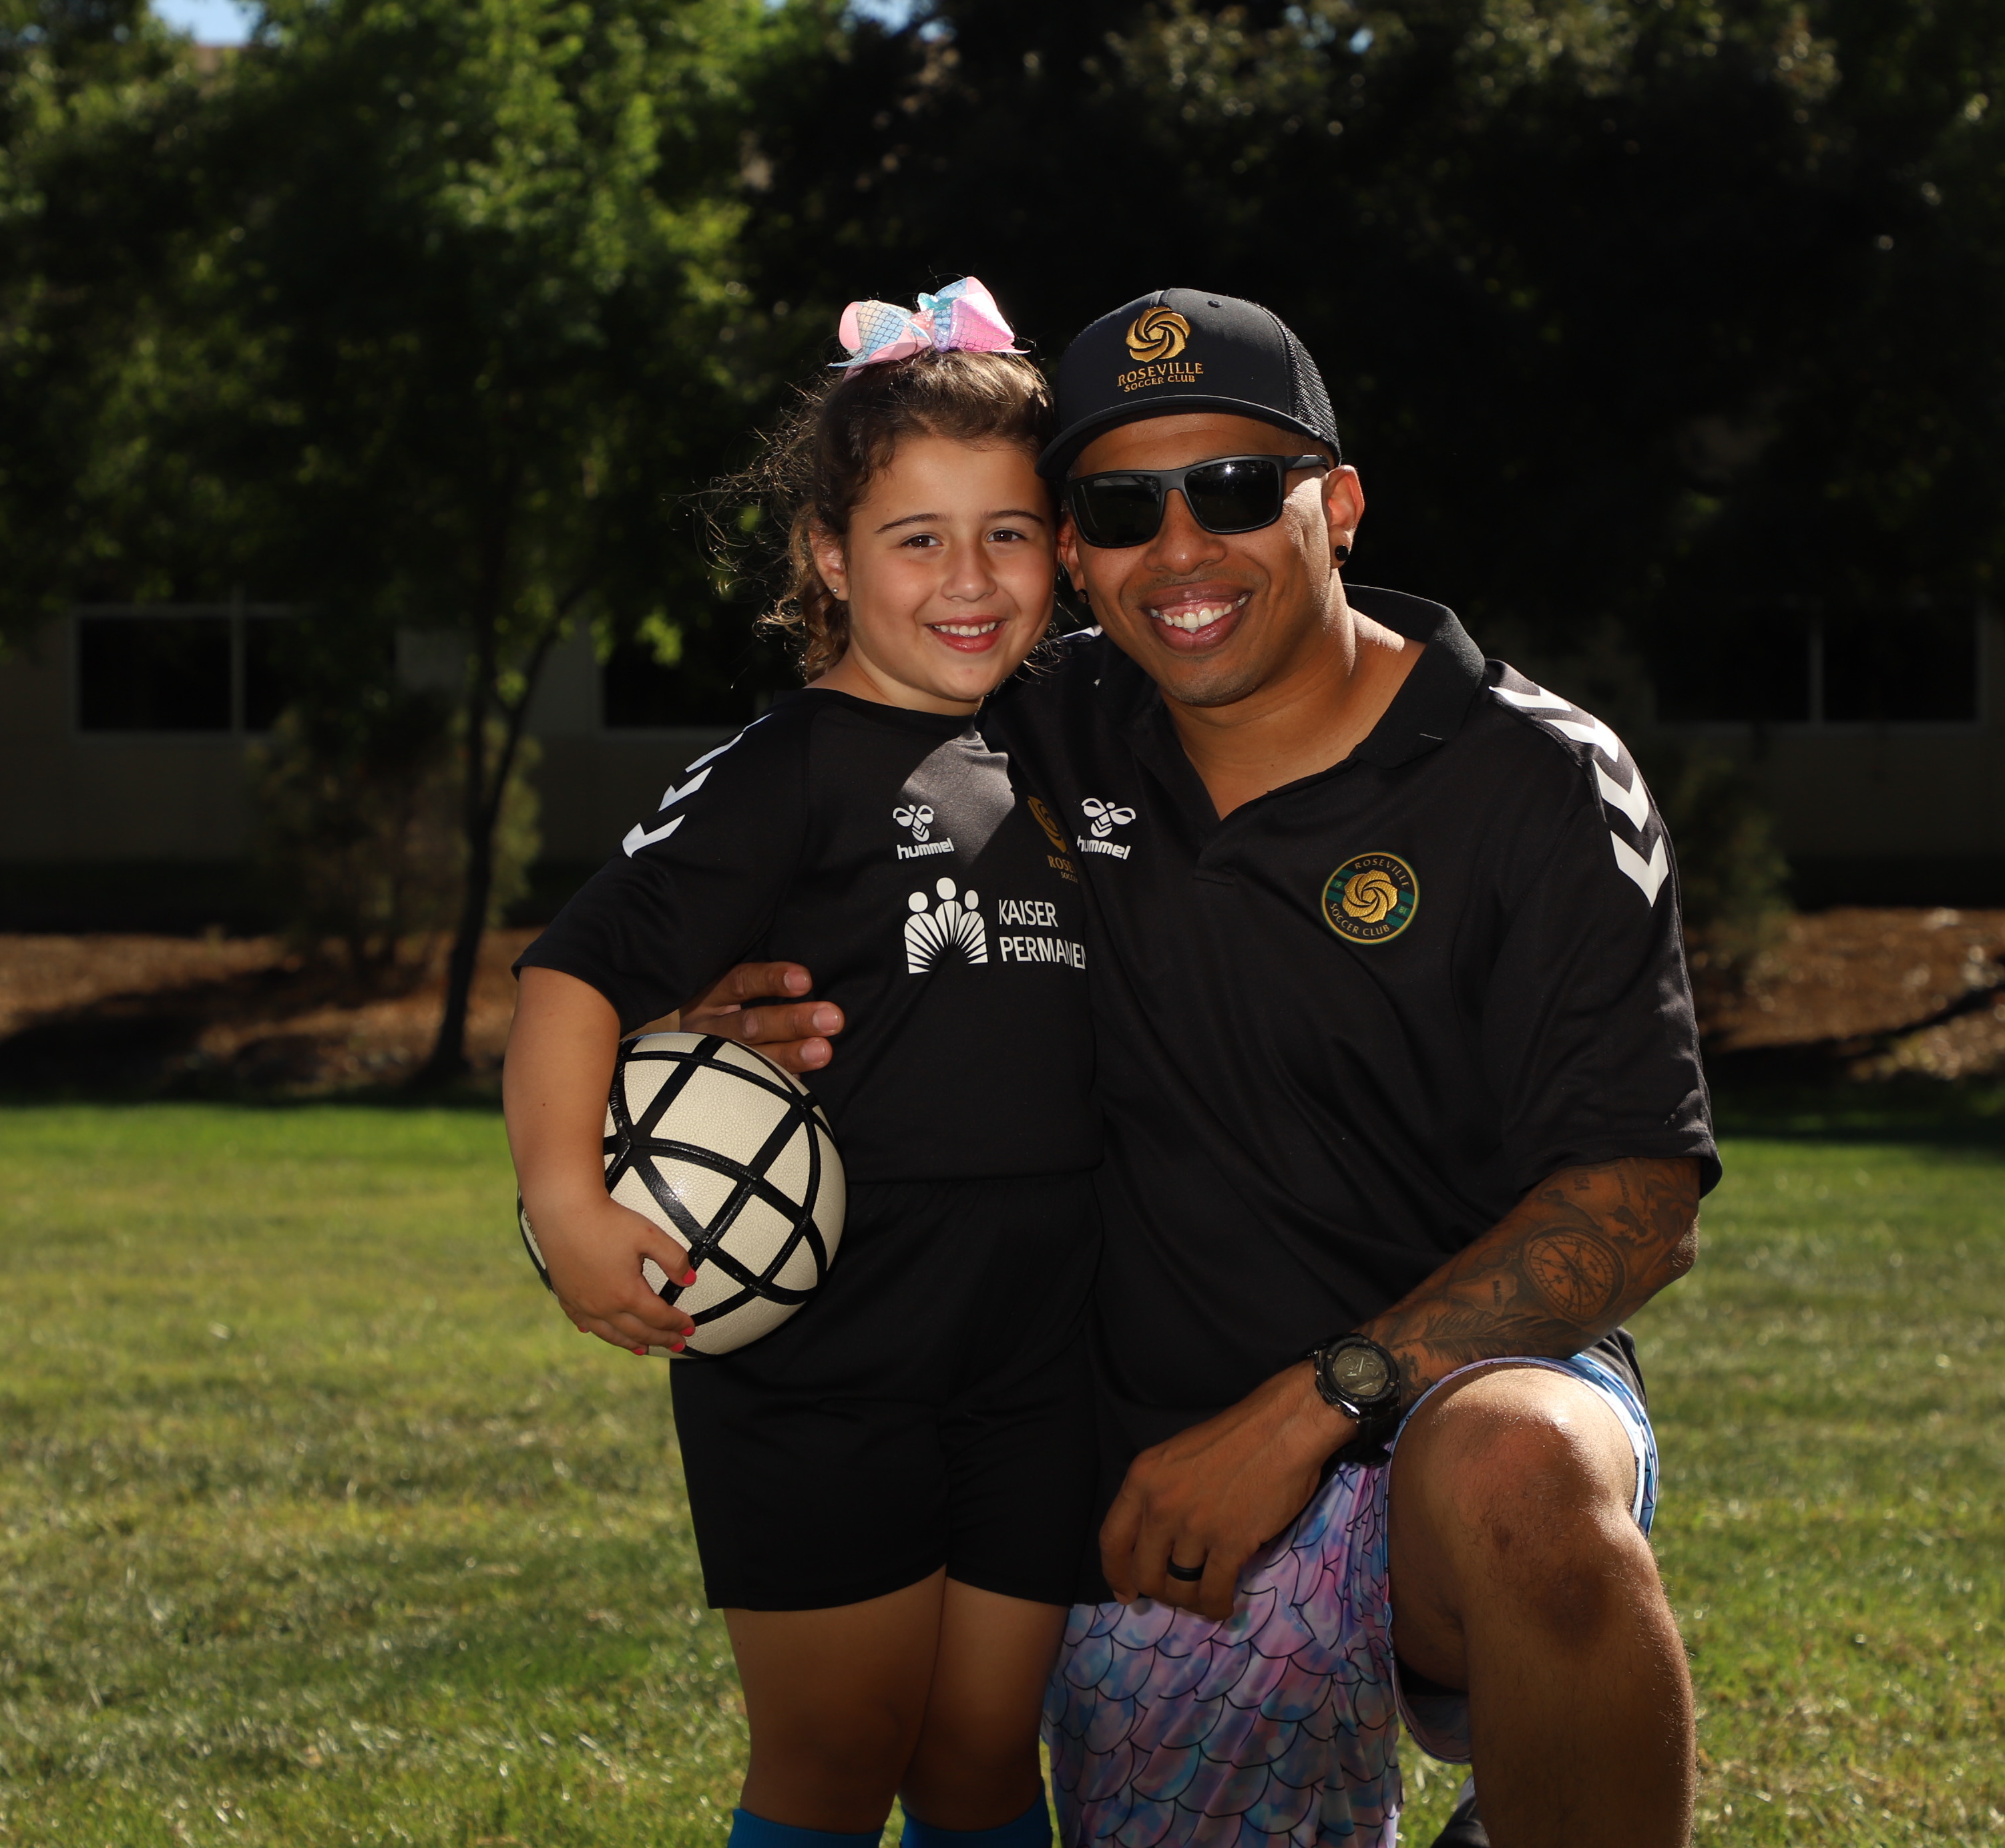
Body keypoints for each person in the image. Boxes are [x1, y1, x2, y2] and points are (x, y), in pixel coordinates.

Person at [688, 287, 1717, 1847]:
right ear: (1074, 549)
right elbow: (776, 840)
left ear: (1338, 505)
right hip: (1149, 1486)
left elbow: (1639, 1200)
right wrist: (721, 1020)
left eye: (1235, 489)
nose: (1179, 549)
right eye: (1119, 508)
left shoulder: (1534, 772)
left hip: (1448, 1403)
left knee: (1525, 1474)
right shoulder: (1023, 728)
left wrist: (1314, 1406)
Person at [501, 280, 1098, 1848]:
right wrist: (565, 1202)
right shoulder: (782, 770)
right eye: (916, 539)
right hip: (827, 1350)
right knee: (837, 1753)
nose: (968, 580)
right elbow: (571, 972)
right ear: (829, 555)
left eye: (1009, 533)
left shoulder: (1072, 745)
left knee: (982, 1756)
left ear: (1061, 547)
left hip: (1045, 1350)